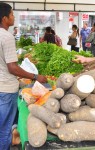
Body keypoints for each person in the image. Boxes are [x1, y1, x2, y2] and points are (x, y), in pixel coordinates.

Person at [0, 3, 47, 150]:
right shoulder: (6, 36)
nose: (14, 17)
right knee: (4, 130)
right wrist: (35, 76)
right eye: (12, 14)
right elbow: (12, 67)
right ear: (4, 18)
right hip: (6, 90)